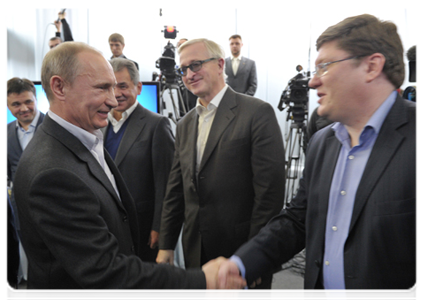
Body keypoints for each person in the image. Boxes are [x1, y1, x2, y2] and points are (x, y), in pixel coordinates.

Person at [13, 41, 244, 300]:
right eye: (102, 88)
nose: (113, 100)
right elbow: (105, 271)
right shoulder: (52, 172)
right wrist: (202, 282)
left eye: (115, 87)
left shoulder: (85, 137)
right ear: (59, 87)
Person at [218, 14, 420, 300]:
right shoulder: (323, 143)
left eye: (324, 67)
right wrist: (240, 264)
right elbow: (298, 221)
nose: (312, 82)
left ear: (372, 66)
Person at [157, 38, 285, 300]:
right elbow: (176, 189)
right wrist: (166, 244)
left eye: (195, 65)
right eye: (183, 69)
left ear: (219, 64)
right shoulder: (184, 124)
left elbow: (269, 196)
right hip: (196, 252)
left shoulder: (257, 113)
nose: (189, 74)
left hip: (242, 252)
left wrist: (255, 257)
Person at [103, 57, 175, 263]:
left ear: (139, 87)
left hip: (143, 227)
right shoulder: (98, 124)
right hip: (107, 225)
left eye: (123, 86)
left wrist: (160, 227)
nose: (116, 93)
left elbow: (166, 182)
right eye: (110, 86)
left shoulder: (157, 125)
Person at [5, 77, 45, 232]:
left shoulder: (55, 127)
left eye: (28, 102)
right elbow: (8, 170)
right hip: (21, 210)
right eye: (16, 104)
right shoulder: (4, 134)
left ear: (36, 99)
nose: (23, 108)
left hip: (55, 207)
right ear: (7, 106)